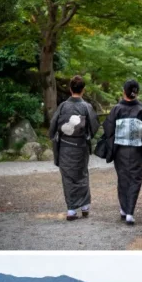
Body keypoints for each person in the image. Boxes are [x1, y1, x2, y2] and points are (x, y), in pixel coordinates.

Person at [99, 79, 142, 225]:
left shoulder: (117, 109)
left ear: (124, 92)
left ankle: (125, 209)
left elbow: (108, 129)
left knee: (123, 178)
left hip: (120, 151)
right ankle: (129, 211)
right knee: (135, 179)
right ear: (136, 93)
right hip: (136, 150)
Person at [49, 74, 100, 221]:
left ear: (70, 89)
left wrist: (55, 136)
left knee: (68, 177)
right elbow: (94, 126)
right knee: (82, 174)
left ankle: (71, 210)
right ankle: (84, 207)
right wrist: (86, 134)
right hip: (81, 146)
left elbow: (53, 126)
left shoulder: (63, 106)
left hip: (65, 146)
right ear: (83, 90)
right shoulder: (86, 106)